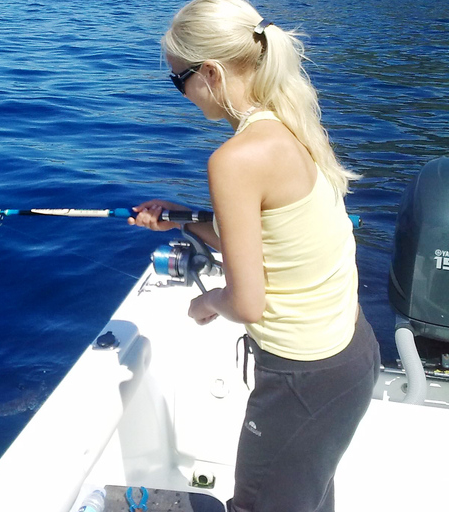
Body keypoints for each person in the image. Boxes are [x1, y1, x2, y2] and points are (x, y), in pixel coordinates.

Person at [128, 1, 381, 511]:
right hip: (350, 351)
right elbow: (275, 239)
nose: (182, 94)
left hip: (301, 376)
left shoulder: (234, 159)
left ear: (212, 73)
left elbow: (247, 304)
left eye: (181, 81)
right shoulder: (290, 121)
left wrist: (208, 303)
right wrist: (184, 219)